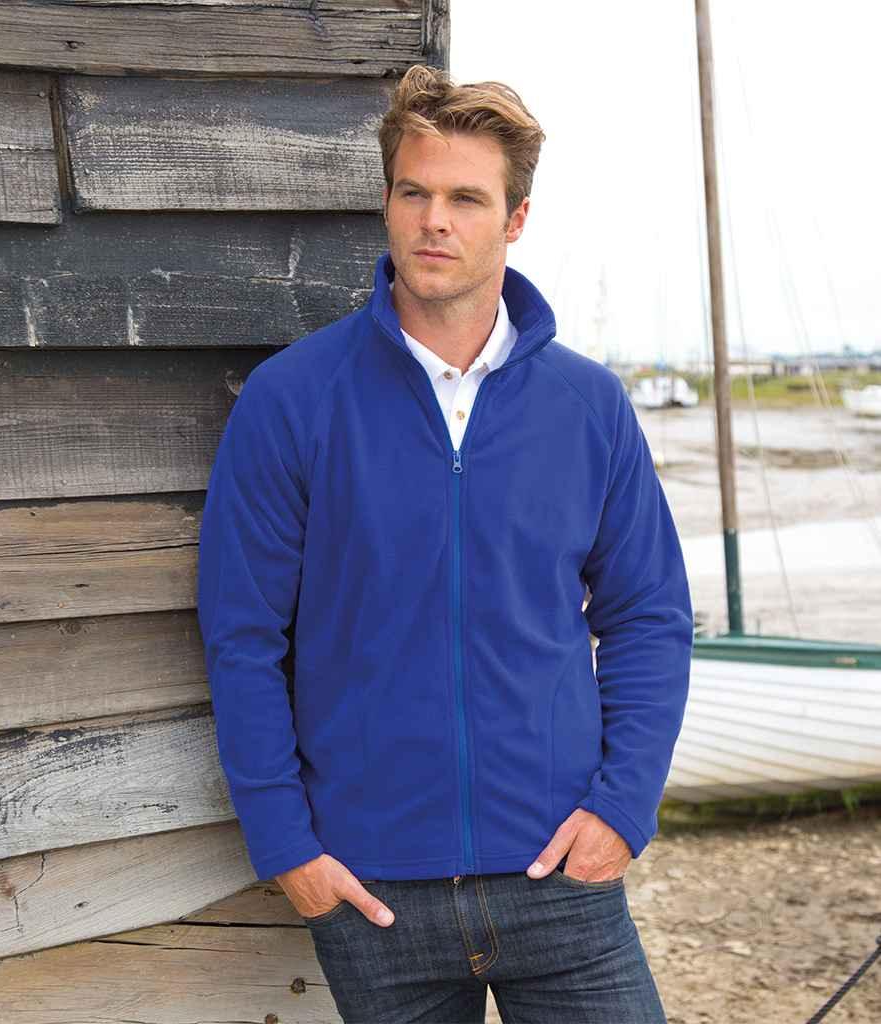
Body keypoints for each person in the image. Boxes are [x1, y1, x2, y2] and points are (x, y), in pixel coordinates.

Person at [197, 64, 693, 1024]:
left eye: (467, 198)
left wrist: (623, 810)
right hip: (374, 892)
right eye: (413, 193)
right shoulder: (291, 400)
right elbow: (241, 636)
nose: (435, 221)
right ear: (386, 204)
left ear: (515, 219)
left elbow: (649, 617)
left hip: (561, 874)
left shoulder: (587, 405)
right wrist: (289, 848)